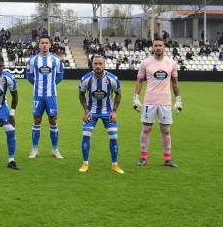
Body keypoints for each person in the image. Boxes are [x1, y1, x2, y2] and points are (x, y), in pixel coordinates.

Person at [133, 38, 183, 167]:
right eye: (156, 45)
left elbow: (174, 82)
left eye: (160, 45)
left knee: (166, 131)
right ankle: (143, 158)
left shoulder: (171, 63)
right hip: (149, 101)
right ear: (152, 47)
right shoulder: (145, 63)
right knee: (147, 128)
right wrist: (135, 97)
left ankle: (167, 160)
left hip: (165, 102)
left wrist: (178, 99)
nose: (158, 48)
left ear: (164, 47)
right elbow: (139, 81)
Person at [78, 55, 124, 174]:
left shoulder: (112, 79)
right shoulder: (86, 79)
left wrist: (114, 111)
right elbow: (81, 94)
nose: (98, 66)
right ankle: (85, 163)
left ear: (104, 64)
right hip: (91, 112)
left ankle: (114, 165)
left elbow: (118, 94)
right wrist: (86, 111)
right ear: (92, 64)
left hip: (108, 112)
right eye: (95, 64)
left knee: (113, 136)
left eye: (100, 64)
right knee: (86, 134)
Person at [26, 35, 64, 159]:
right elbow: (29, 76)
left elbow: (59, 76)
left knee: (53, 120)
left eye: (46, 42)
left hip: (51, 96)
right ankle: (35, 149)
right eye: (42, 42)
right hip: (38, 95)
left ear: (50, 44)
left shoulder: (56, 60)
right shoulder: (33, 60)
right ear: (38, 44)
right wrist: (38, 85)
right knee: (36, 120)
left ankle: (55, 149)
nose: (44, 45)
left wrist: (51, 85)